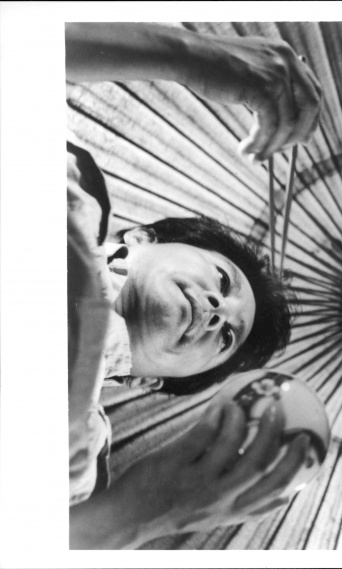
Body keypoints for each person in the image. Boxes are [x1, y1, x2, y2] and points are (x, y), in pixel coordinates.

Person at [66, 23, 323, 548]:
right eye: (223, 280)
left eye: (227, 337)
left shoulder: (77, 467)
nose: (219, 311)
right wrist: (196, 57)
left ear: (149, 383)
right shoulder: (71, 190)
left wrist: (135, 516)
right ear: (142, 237)